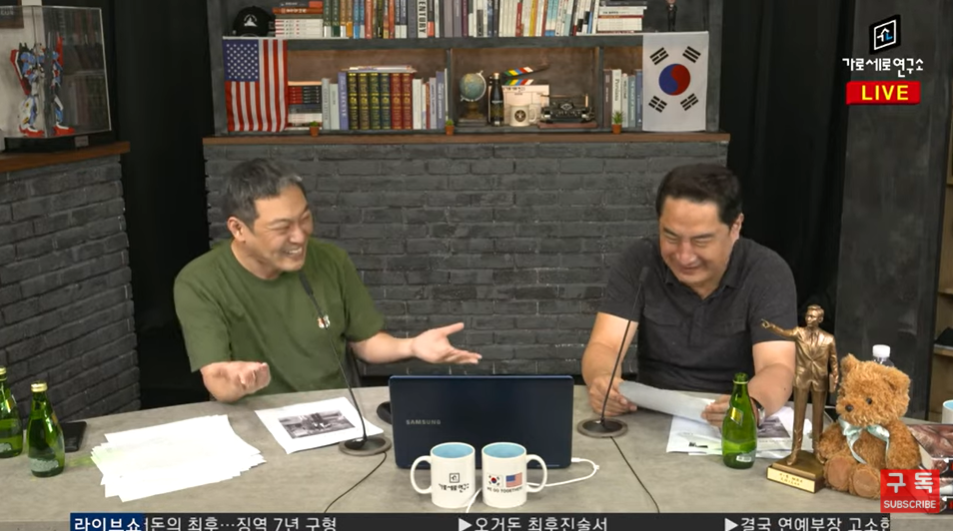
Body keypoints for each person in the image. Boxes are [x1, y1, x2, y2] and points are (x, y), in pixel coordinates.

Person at [173, 159, 481, 402]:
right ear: (238, 229)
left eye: (305, 218)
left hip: (336, 414)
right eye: (282, 227)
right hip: (255, 421)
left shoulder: (330, 260)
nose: (300, 236)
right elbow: (216, 380)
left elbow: (366, 343)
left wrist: (413, 346)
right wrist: (239, 380)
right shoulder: (199, 281)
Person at [581, 163, 797, 429]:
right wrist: (602, 380)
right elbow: (605, 345)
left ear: (735, 227)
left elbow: (777, 367)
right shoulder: (641, 261)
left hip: (728, 417)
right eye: (670, 237)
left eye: (701, 241)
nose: (684, 256)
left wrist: (750, 404)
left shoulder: (766, 272)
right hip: (651, 417)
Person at [762, 305, 838, 466]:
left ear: (820, 319)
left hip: (820, 379)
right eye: (808, 316)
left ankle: (817, 449)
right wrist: (771, 327)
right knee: (799, 416)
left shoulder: (828, 339)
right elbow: (784, 333)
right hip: (802, 378)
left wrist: (835, 377)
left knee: (818, 417)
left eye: (812, 317)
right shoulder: (799, 332)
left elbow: (833, 360)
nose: (808, 319)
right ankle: (795, 450)